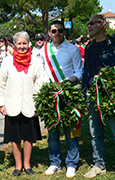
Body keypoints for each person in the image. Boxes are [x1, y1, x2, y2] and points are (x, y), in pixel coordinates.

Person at [83, 15, 115, 180]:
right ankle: (98, 165)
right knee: (95, 132)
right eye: (88, 23)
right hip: (92, 95)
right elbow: (86, 72)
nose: (88, 26)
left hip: (110, 95)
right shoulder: (89, 47)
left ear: (102, 25)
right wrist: (85, 93)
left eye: (92, 23)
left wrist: (112, 78)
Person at [0, 31, 43, 176]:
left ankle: (27, 164)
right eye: (19, 43)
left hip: (30, 104)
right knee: (15, 138)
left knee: (28, 137)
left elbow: (39, 84)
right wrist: (2, 103)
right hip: (12, 105)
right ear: (14, 45)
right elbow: (1, 83)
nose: (22, 46)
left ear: (28, 44)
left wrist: (38, 103)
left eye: (24, 43)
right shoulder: (7, 61)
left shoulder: (36, 61)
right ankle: (18, 165)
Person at [41, 20, 83, 178]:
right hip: (51, 96)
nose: (56, 33)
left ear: (64, 32)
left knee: (71, 131)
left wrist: (68, 82)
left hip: (68, 95)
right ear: (49, 33)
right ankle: (55, 163)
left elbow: (79, 72)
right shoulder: (43, 50)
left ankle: (71, 164)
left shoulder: (73, 49)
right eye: (53, 31)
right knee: (52, 133)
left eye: (59, 30)